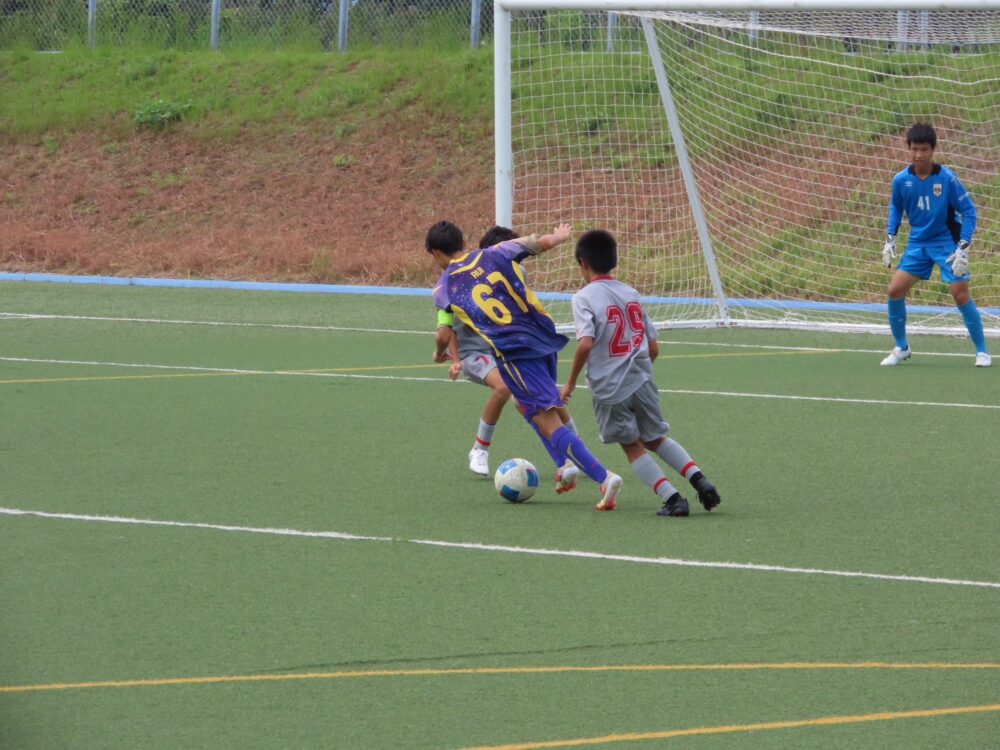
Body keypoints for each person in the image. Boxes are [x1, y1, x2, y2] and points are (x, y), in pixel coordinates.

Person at [427, 220, 622, 510]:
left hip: (515, 352)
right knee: (530, 406)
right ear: (462, 241)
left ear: (435, 253)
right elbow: (537, 243)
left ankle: (604, 477)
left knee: (548, 421)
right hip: (543, 336)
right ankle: (565, 465)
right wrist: (559, 236)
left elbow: (444, 334)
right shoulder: (495, 252)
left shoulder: (444, 287)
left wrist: (439, 354)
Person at [559, 229, 721, 517]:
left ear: (583, 263)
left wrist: (570, 383)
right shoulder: (630, 293)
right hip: (642, 379)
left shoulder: (582, 297)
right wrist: (639, 373)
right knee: (656, 438)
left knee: (632, 445)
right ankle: (700, 480)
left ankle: (672, 499)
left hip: (610, 387)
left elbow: (585, 343)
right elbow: (653, 347)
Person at [434, 225, 584, 480]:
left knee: (547, 396)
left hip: (507, 349)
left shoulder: (513, 271)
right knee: (505, 388)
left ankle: (574, 450)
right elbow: (449, 330)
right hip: (476, 353)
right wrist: (455, 359)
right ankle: (480, 449)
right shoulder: (456, 284)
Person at [880, 122, 991, 367]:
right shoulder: (901, 180)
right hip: (918, 244)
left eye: (924, 149)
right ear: (909, 149)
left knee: (960, 294)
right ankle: (901, 347)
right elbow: (896, 208)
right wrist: (891, 238)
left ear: (933, 150)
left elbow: (969, 211)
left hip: (947, 243)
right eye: (914, 149)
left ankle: (982, 352)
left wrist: (963, 246)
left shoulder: (947, 178)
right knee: (895, 291)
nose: (919, 154)